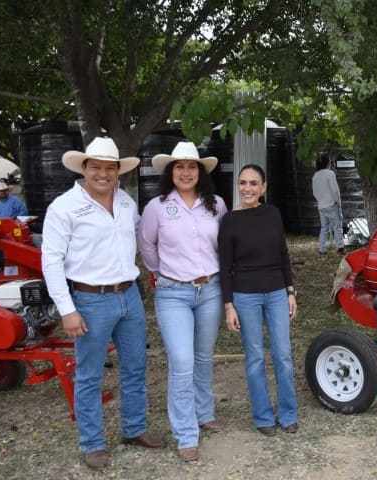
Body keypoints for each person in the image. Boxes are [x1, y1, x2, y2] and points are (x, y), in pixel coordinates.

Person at [41, 137, 164, 470]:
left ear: (118, 172)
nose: (103, 174)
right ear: (83, 168)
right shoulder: (64, 207)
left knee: (136, 367)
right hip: (90, 299)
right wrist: (67, 309)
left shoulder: (126, 202)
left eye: (110, 168)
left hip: (129, 295)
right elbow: (51, 260)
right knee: (89, 375)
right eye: (96, 167)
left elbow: (139, 239)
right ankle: (93, 443)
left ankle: (134, 428)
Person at [137, 142, 227, 462]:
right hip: (173, 293)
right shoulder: (157, 207)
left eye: (192, 167)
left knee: (203, 357)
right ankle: (187, 433)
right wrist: (164, 273)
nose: (186, 172)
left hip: (211, 290)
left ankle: (204, 413)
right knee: (182, 361)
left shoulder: (216, 204)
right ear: (170, 172)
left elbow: (224, 245)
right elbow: (147, 246)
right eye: (179, 167)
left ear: (200, 172)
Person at [218, 164, 299, 436]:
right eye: (243, 183)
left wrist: (290, 292)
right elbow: (224, 266)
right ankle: (263, 417)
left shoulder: (273, 213)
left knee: (283, 355)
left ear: (263, 187)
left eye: (254, 183)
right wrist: (228, 305)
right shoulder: (229, 220)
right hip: (245, 295)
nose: (248, 188)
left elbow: (283, 254)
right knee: (254, 357)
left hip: (277, 292)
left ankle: (288, 414)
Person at [312, 155, 344, 255]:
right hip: (331, 204)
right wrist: (338, 201)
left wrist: (320, 200)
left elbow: (315, 193)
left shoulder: (315, 175)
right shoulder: (330, 174)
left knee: (324, 228)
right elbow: (335, 190)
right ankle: (340, 248)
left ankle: (322, 249)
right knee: (337, 226)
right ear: (327, 163)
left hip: (321, 205)